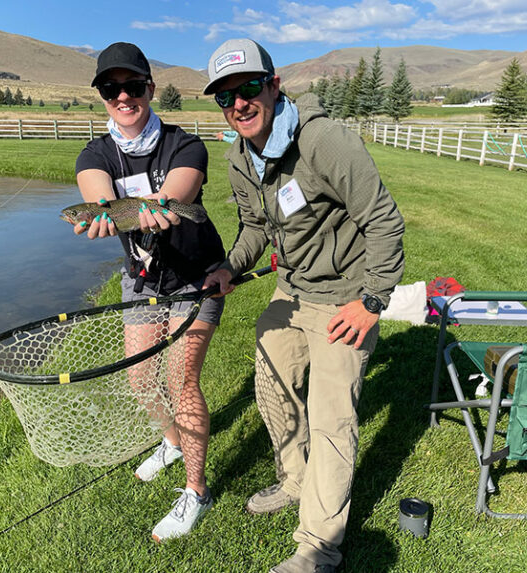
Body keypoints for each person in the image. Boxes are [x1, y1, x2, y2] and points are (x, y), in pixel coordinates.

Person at [202, 39, 405, 573]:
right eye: (226, 97)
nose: (239, 104)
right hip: (290, 293)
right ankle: (295, 480)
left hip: (346, 297)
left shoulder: (324, 142)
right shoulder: (238, 157)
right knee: (271, 384)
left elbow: (384, 220)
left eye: (248, 89)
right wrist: (230, 267)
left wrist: (372, 302)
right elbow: (254, 229)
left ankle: (318, 548)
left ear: (273, 85)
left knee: (333, 421)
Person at [71, 41, 226, 543]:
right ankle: (171, 441)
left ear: (150, 90)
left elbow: (177, 194)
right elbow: (97, 195)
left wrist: (159, 207)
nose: (123, 96)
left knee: (182, 381)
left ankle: (196, 491)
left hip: (196, 278)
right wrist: (98, 213)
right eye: (111, 88)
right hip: (142, 279)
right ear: (101, 96)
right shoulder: (95, 153)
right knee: (142, 382)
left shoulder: (185, 144)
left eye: (133, 86)